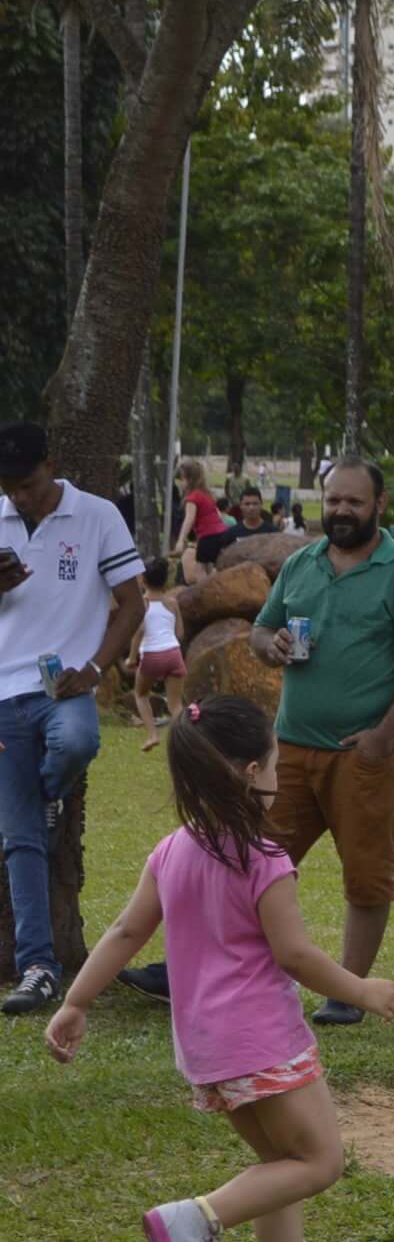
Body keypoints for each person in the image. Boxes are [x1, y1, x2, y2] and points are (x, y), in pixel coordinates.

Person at [43, 694, 394, 1242]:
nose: (279, 771)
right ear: (251, 771)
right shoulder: (264, 859)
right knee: (318, 1162)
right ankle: (196, 1217)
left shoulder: (171, 851)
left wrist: (77, 1001)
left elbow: (126, 931)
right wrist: (361, 989)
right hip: (263, 1041)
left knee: (281, 1163)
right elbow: (295, 954)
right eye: (275, 760)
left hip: (207, 1048)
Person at [247, 459, 394, 1027]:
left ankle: (349, 991)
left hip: (366, 755)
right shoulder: (301, 563)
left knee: (366, 875)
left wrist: (383, 736)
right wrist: (269, 644)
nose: (340, 511)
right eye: (333, 500)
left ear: (379, 505)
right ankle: (227, 972)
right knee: (253, 861)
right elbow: (261, 628)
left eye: (354, 502)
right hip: (289, 750)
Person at [0, 421, 145, 1013]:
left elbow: (133, 602)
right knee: (20, 839)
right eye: (8, 487)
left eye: (27, 484)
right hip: (4, 691)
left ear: (51, 465)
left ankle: (51, 794)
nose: (19, 496)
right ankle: (38, 967)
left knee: (78, 742)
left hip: (63, 686)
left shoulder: (97, 515)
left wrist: (95, 668)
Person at [131, 559, 187, 750]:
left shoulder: (142, 604)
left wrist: (132, 658)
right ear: (165, 581)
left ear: (143, 580)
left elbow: (138, 633)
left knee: (141, 694)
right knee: (175, 704)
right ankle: (185, 740)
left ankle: (153, 735)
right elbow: (180, 633)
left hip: (151, 655)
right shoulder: (172, 603)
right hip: (173, 653)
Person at [173, 458, 232, 581]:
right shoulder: (206, 494)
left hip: (208, 535)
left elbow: (189, 519)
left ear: (190, 479)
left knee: (199, 569)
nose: (180, 483)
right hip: (222, 532)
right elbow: (218, 515)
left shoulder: (192, 498)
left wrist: (181, 540)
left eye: (182, 479)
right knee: (211, 567)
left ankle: (205, 590)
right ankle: (214, 585)